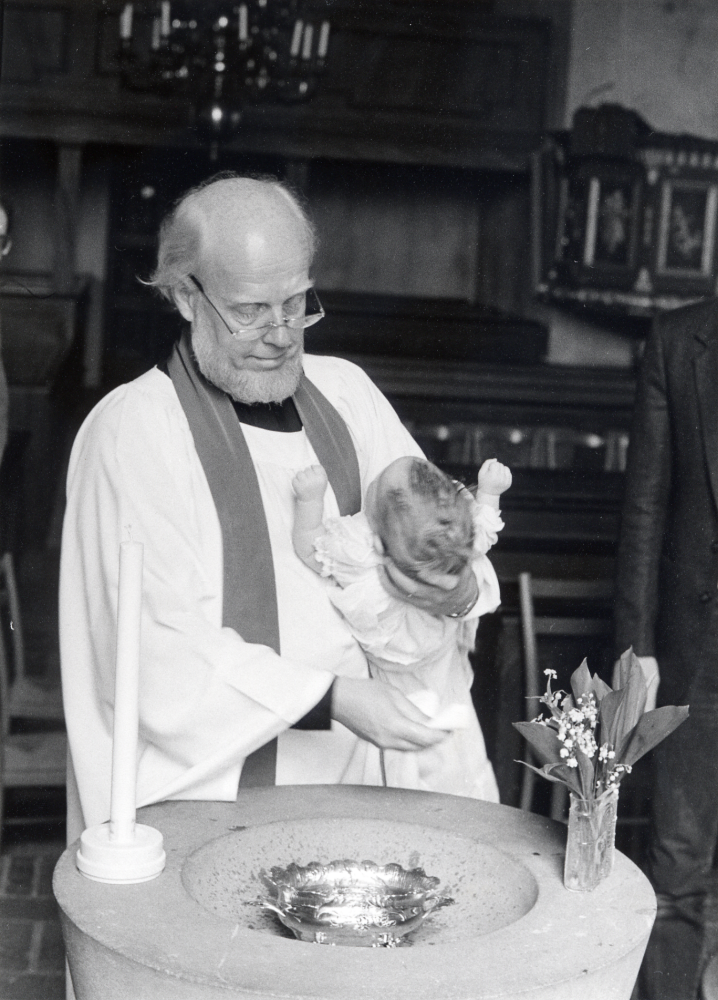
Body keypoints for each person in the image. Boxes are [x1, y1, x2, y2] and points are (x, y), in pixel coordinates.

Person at [59, 173, 485, 843]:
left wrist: (454, 589)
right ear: (182, 296)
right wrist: (334, 698)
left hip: (357, 792)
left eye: (297, 301)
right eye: (252, 309)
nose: (282, 333)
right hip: (206, 803)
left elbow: (439, 554)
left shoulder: (349, 396)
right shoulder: (135, 431)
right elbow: (153, 650)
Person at [291, 454, 511, 799]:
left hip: (392, 679)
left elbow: (310, 548)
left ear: (377, 541)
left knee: (402, 760)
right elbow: (482, 532)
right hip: (442, 664)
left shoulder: (362, 559)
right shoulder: (451, 544)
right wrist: (489, 493)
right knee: (458, 754)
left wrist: (310, 501)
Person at [615, 298, 718, 1000]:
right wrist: (638, 644)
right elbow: (645, 502)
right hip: (694, 649)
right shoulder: (681, 338)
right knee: (678, 868)